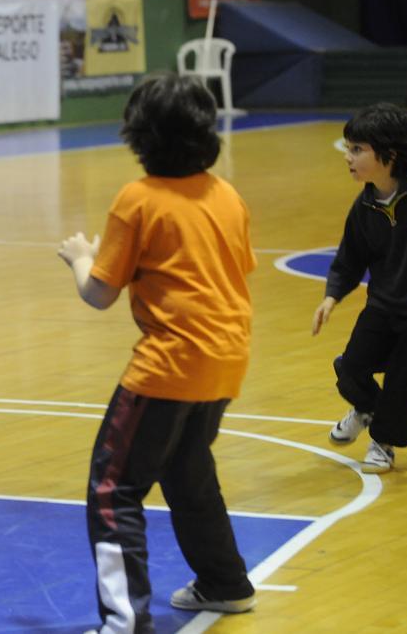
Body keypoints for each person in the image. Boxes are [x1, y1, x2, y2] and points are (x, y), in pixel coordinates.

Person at [57, 73, 257, 632]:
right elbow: (234, 273)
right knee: (188, 473)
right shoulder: (227, 194)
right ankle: (225, 583)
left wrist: (79, 256)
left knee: (112, 489)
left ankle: (124, 622)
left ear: (138, 135)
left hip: (169, 365)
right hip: (228, 357)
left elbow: (99, 294)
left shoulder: (138, 199)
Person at [312, 103, 407, 474]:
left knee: (404, 380)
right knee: (350, 367)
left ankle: (383, 442)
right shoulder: (364, 205)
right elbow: (350, 258)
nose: (347, 157)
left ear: (389, 154)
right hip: (383, 305)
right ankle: (366, 408)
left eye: (357, 149)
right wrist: (331, 297)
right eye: (348, 148)